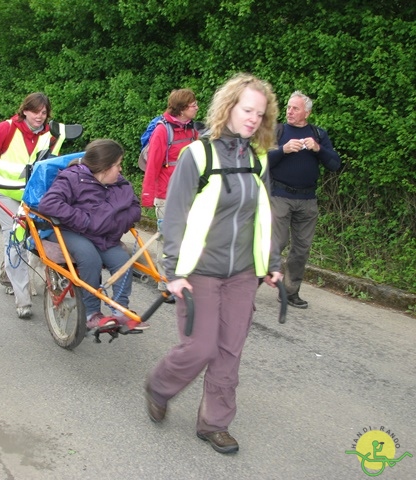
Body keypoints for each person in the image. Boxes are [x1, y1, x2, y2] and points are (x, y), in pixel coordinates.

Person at [145, 73, 283, 454]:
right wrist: (172, 272)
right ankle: (159, 386)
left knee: (229, 350)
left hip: (242, 274)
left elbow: (264, 214)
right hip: (199, 271)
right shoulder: (198, 155)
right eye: (247, 109)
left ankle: (214, 423)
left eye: (260, 112)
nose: (254, 118)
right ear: (229, 108)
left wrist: (272, 261)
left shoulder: (258, 158)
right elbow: (174, 216)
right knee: (201, 346)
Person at [37, 139, 142, 329]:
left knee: (122, 260)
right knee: (89, 257)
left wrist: (111, 222)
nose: (120, 169)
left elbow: (135, 209)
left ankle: (120, 310)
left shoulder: (120, 183)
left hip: (104, 235)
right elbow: (49, 204)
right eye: (117, 165)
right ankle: (92, 313)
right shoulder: (72, 178)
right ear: (104, 167)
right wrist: (85, 220)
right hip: (70, 231)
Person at [0, 92, 64, 320]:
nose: (40, 117)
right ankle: (23, 301)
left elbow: (53, 167)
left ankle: (8, 273)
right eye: (35, 111)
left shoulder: (50, 135)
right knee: (15, 240)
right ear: (25, 110)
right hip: (4, 193)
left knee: (33, 239)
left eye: (44, 113)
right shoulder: (6, 129)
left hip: (32, 197)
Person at [268, 91, 341, 309]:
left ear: (306, 113)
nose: (290, 111)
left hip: (307, 199)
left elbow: (335, 164)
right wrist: (283, 149)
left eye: (295, 108)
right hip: (280, 195)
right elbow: (259, 160)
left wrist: (318, 149)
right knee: (275, 245)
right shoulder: (277, 131)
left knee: (301, 249)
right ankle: (248, 286)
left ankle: (290, 292)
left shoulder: (318, 134)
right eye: (288, 107)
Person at [141, 88, 199, 295]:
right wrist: (148, 196)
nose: (197, 107)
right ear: (182, 109)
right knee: (167, 239)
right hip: (166, 196)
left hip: (190, 194)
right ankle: (165, 282)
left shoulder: (192, 130)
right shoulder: (162, 131)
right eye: (193, 105)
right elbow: (153, 166)